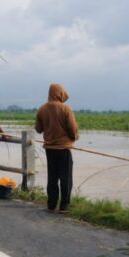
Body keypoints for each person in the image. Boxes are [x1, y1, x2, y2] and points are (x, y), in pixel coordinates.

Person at [35, 83, 79, 213]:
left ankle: (51, 205)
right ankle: (64, 206)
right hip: (64, 149)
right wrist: (75, 137)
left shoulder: (42, 109)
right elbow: (72, 129)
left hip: (49, 149)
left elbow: (38, 129)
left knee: (52, 178)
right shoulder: (66, 109)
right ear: (59, 93)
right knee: (66, 178)